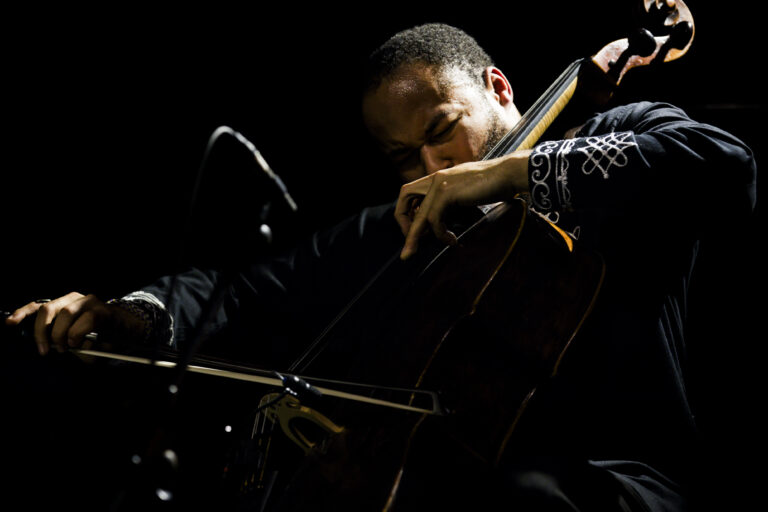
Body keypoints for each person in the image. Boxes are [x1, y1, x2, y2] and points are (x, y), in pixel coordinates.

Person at [5, 23, 757, 511]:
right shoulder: (399, 229)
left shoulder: (610, 136)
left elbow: (718, 163)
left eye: (442, 133)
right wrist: (121, 313)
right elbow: (238, 293)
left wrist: (505, 173)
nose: (430, 169)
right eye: (404, 159)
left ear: (496, 89)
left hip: (615, 481)